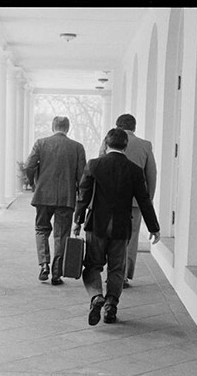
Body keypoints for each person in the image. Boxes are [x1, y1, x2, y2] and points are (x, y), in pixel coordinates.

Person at [74, 128, 160, 325]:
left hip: (97, 225)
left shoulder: (94, 165)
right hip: (122, 226)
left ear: (106, 143)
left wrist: (77, 221)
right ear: (126, 145)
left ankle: (96, 297)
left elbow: (83, 195)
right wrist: (153, 227)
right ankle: (111, 304)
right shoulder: (134, 170)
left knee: (92, 266)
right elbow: (144, 200)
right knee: (117, 268)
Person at [26, 116, 87, 285]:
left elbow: (29, 166)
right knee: (61, 235)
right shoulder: (77, 147)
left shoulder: (41, 143)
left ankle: (44, 264)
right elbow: (83, 177)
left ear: (53, 126)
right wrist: (81, 198)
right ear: (68, 128)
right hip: (66, 198)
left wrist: (34, 183)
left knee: (41, 229)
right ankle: (56, 273)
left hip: (43, 195)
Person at [98, 114, 157, 288]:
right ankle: (122, 275)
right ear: (134, 127)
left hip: (109, 199)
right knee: (130, 238)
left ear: (116, 126)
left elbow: (100, 168)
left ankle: (111, 271)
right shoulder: (145, 145)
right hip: (135, 201)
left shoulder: (107, 142)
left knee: (110, 235)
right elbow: (151, 175)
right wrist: (148, 199)